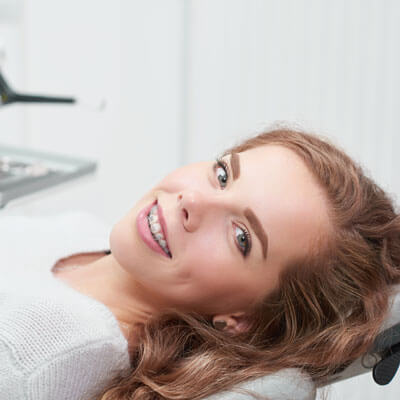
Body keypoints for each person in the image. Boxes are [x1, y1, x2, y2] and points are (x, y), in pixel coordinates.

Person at [2, 126, 400, 400]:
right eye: (223, 174)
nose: (193, 201)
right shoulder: (87, 232)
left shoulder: (31, 355)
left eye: (241, 237)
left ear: (241, 319)